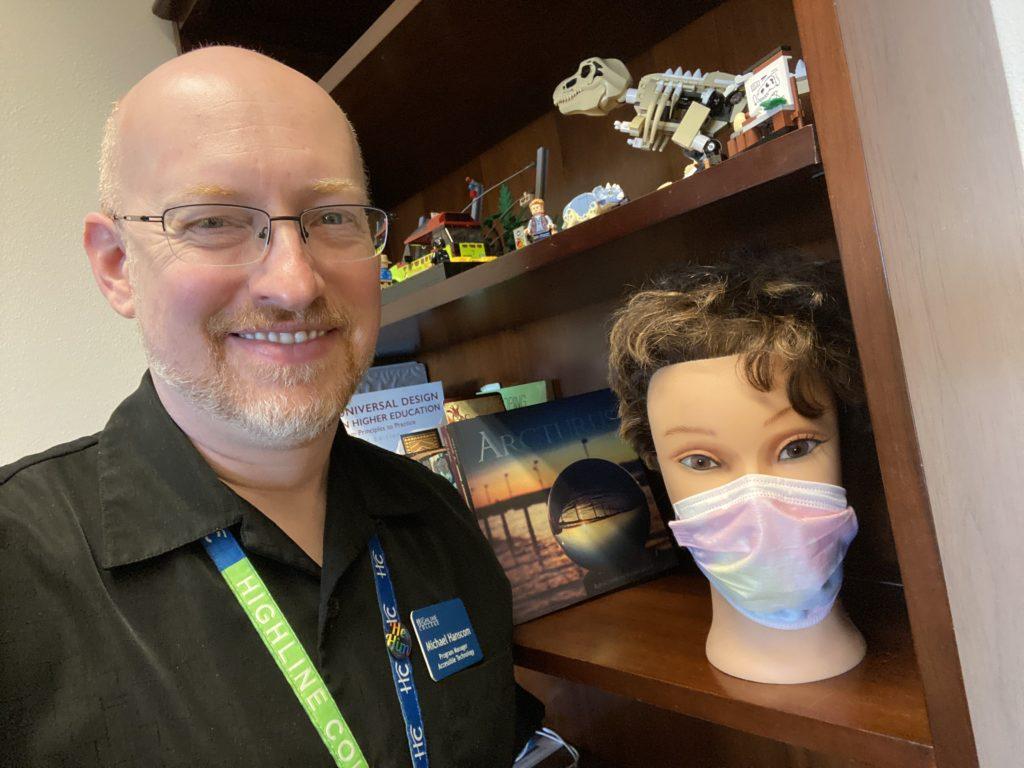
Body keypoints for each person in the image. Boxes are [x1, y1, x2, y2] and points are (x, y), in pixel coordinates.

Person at [0, 46, 542, 767]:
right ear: (115, 266)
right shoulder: (18, 579)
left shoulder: (439, 517)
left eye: (333, 217)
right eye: (214, 221)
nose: (293, 282)